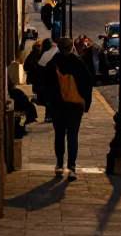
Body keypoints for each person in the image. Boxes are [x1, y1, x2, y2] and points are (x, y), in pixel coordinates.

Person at [42, 36, 93, 180]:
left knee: (59, 135)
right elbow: (88, 83)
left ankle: (59, 165)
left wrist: (49, 103)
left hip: (57, 105)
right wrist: (86, 103)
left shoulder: (52, 64)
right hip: (75, 105)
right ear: (71, 48)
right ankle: (72, 167)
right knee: (72, 136)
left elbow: (45, 84)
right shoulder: (78, 63)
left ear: (58, 48)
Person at [35, 37, 59, 122]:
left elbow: (39, 70)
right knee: (52, 99)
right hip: (52, 80)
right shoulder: (54, 52)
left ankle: (49, 115)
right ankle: (51, 115)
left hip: (47, 81)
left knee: (49, 100)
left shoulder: (45, 54)